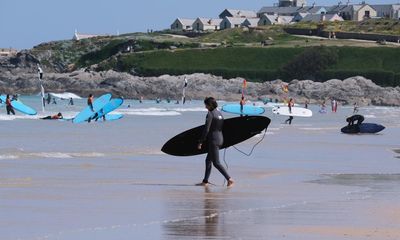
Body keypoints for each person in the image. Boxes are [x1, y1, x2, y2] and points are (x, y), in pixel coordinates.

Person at [197, 97, 234, 187]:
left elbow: (206, 129)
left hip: (213, 140)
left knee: (216, 163)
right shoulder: (219, 114)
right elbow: (223, 128)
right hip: (220, 139)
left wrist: (201, 141)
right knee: (208, 160)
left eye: (206, 105)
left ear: (210, 105)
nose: (205, 107)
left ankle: (229, 179)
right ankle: (205, 181)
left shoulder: (210, 114)